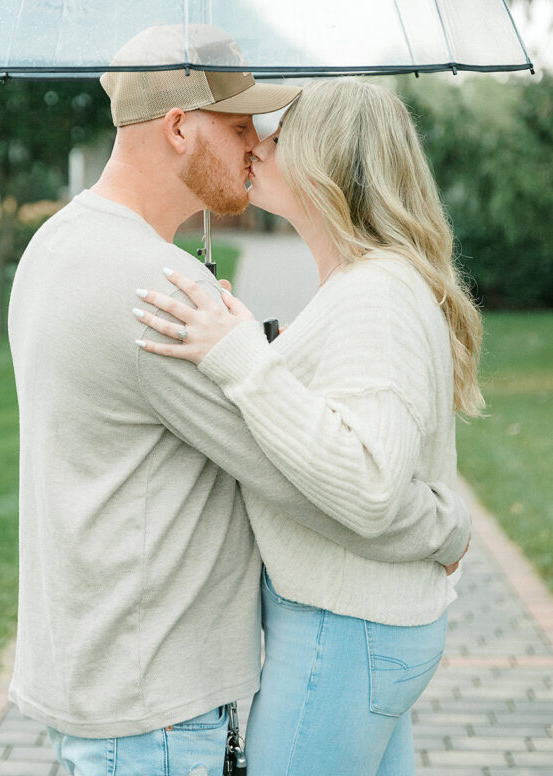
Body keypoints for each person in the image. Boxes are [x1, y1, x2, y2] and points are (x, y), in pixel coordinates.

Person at [8, 27, 470, 776]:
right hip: (154, 691)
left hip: (99, 668)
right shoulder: (156, 288)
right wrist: (443, 528)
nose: (254, 142)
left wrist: (258, 344)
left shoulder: (61, 243)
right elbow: (308, 478)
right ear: (179, 127)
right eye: (235, 124)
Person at [135, 77, 482, 776]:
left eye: (277, 136)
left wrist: (239, 361)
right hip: (357, 624)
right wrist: (262, 348)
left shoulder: (374, 296)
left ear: (325, 163)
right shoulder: (365, 283)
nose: (255, 146)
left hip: (343, 629)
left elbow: (369, 484)